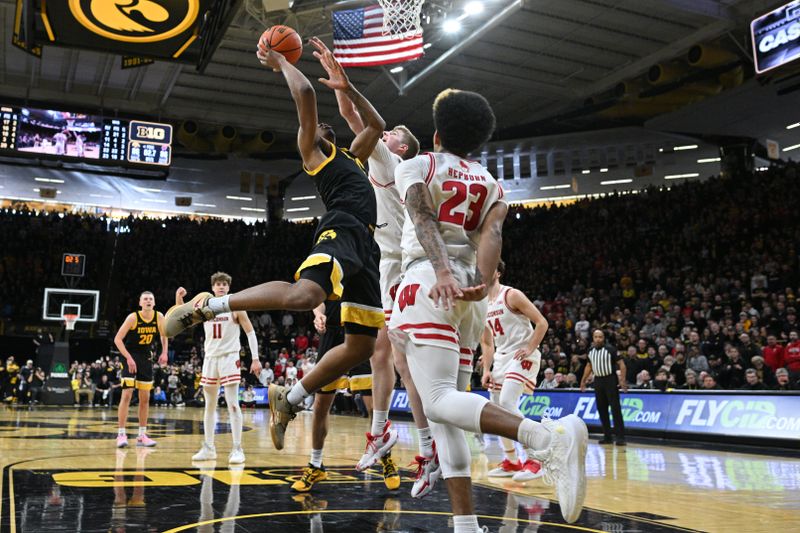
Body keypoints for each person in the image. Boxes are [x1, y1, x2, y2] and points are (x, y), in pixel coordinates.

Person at [164, 39, 388, 453]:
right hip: (343, 227)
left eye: (324, 127)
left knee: (362, 345)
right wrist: (282, 61)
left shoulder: (354, 156)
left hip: (367, 246)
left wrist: (346, 87)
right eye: (315, 127)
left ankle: (292, 397)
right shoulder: (314, 156)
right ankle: (208, 307)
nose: (320, 128)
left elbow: (375, 125)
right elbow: (304, 93)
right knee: (305, 296)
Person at [387, 88, 587, 529]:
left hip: (429, 280)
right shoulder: (492, 184)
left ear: (436, 134)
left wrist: (440, 271)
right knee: (450, 417)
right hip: (469, 294)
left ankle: (545, 439)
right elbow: (492, 235)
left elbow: (422, 217)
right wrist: (480, 282)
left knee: (437, 402)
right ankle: (466, 525)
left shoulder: (419, 164)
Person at [328, 40, 439, 497]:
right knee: (383, 356)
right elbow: (355, 120)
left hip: (396, 268)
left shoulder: (394, 162)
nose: (386, 132)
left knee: (402, 364)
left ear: (400, 146)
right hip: (387, 266)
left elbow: (360, 122)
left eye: (392, 131)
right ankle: (387, 433)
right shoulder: (387, 163)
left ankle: (423, 444)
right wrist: (340, 85)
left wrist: (347, 86)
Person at [291, 300, 399, 493]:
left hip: (361, 329)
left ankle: (385, 456)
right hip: (332, 332)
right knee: (320, 406)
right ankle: (316, 465)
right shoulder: (330, 269)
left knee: (374, 406)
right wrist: (318, 314)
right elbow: (319, 296)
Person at [178, 272, 262, 464]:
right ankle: (208, 448)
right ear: (213, 287)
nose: (221, 287)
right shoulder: (205, 307)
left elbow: (250, 332)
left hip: (229, 357)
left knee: (233, 404)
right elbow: (181, 317)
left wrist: (255, 358)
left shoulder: (236, 307)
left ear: (228, 287)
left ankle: (237, 449)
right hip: (210, 358)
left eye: (224, 284)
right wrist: (180, 298)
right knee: (209, 405)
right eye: (218, 284)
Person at [480, 259, 548, 482]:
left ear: (498, 272)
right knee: (496, 411)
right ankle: (511, 461)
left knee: (508, 403)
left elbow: (541, 322)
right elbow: (488, 343)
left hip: (522, 355)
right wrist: (487, 369)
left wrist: (529, 347)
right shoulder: (481, 303)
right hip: (501, 358)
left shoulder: (512, 295)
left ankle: (536, 457)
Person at [113, 291, 168, 448]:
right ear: (140, 303)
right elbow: (117, 339)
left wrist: (164, 352)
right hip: (129, 355)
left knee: (145, 398)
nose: (148, 301)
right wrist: (128, 358)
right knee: (127, 394)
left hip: (145, 357)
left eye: (151, 298)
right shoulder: (133, 318)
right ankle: (121, 434)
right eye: (145, 299)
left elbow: (164, 335)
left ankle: (142, 435)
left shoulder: (159, 317)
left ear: (154, 302)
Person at [581, 330, 627, 445]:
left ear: (604, 338)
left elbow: (622, 365)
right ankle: (607, 436)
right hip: (598, 381)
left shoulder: (611, 349)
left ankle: (620, 437)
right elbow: (589, 366)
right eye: (596, 337)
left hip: (610, 380)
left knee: (615, 409)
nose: (598, 339)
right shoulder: (590, 351)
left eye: (600, 337)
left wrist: (622, 380)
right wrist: (583, 381)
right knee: (602, 410)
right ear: (593, 338)